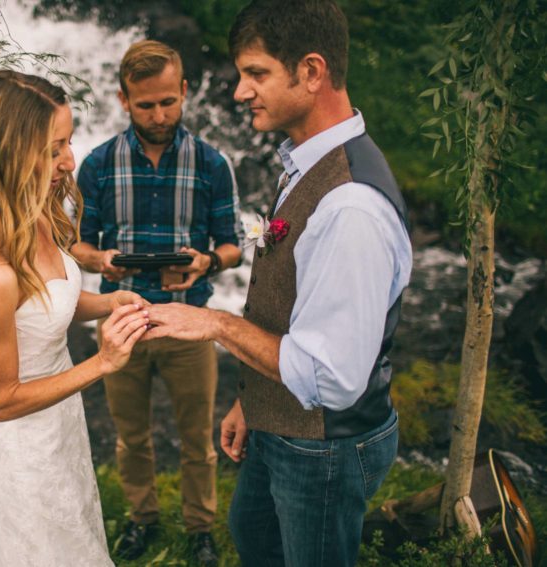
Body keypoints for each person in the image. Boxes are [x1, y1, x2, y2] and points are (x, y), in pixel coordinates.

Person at [144, 2, 413, 565]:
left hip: (323, 448)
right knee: (253, 535)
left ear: (311, 72)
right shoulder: (307, 162)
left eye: (256, 74)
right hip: (280, 425)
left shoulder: (351, 209)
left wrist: (215, 323)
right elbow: (294, 312)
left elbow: (332, 379)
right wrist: (254, 403)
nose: (241, 92)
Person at [0, 70, 150, 567]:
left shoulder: (39, 213)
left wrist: (110, 303)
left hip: (60, 420)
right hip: (21, 443)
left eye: (67, 142)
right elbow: (3, 401)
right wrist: (103, 363)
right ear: (7, 152)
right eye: (53, 150)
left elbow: (48, 307)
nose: (69, 161)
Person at [70, 40, 243, 565]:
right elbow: (75, 243)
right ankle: (142, 520)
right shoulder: (97, 165)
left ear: (185, 91)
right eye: (146, 105)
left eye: (169, 101)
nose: (160, 114)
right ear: (124, 100)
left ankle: (200, 529)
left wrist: (205, 262)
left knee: (198, 440)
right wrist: (101, 261)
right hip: (120, 321)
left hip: (189, 323)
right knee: (132, 438)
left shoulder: (212, 164)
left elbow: (232, 244)